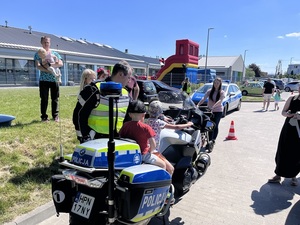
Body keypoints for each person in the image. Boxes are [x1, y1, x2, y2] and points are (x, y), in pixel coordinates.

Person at [73, 60, 131, 143]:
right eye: (128, 77)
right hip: (95, 140)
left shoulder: (125, 94)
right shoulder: (94, 89)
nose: (129, 81)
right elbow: (78, 114)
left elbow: (128, 118)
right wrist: (84, 137)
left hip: (117, 140)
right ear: (120, 74)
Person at [119, 100, 173, 175]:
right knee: (163, 164)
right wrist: (151, 151)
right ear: (143, 115)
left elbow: (121, 136)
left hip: (131, 153)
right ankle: (161, 185)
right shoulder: (146, 128)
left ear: (130, 114)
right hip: (143, 154)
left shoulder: (125, 125)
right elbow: (153, 144)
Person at [268, 83, 300, 186]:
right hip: (288, 128)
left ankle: (293, 176)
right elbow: (283, 112)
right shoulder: (292, 98)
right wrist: (288, 114)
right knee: (283, 149)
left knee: (296, 153)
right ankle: (278, 175)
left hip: (299, 131)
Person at [34, 36, 63, 122]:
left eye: (48, 42)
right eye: (44, 42)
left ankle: (55, 116)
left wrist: (51, 65)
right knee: (44, 99)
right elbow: (38, 66)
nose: (46, 44)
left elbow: (61, 64)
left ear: (50, 43)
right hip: (44, 80)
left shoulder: (55, 53)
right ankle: (44, 117)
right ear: (41, 43)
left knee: (55, 98)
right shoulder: (38, 53)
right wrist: (49, 70)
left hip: (54, 80)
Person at [197, 77, 225, 145]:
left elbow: (220, 101)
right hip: (210, 110)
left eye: (217, 83)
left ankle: (213, 139)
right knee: (209, 125)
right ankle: (209, 139)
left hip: (218, 111)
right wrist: (197, 105)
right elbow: (204, 98)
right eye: (215, 83)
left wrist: (214, 106)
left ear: (220, 84)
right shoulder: (210, 91)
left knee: (215, 125)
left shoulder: (222, 92)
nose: (216, 84)